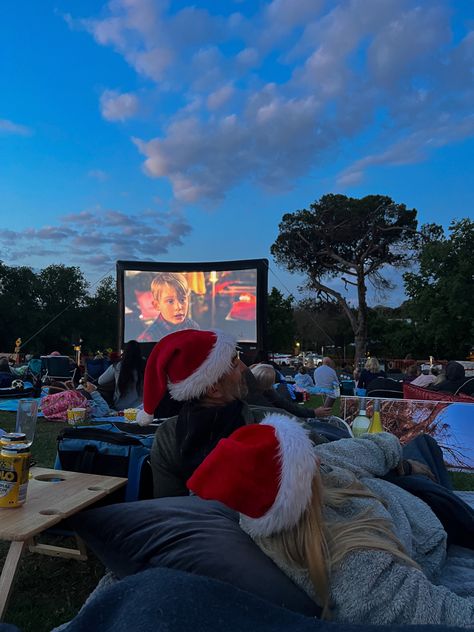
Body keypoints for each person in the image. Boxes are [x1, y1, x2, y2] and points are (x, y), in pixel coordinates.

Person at [188, 415, 474, 627]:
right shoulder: (354, 567)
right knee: (430, 459)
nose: (316, 454)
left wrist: (404, 465)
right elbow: (447, 615)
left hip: (399, 489)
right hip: (429, 520)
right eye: (307, 453)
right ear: (299, 481)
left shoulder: (306, 470)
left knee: (423, 443)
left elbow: (375, 448)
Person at [136, 330, 336, 499]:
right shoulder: (274, 424)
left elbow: (171, 511)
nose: (243, 368)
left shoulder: (168, 436)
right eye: (234, 362)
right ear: (214, 389)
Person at [250, 364, 330, 419]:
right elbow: (289, 407)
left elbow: (288, 406)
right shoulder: (269, 396)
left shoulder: (246, 393)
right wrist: (314, 413)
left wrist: (313, 413)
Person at [137, 272, 200, 343]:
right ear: (157, 305)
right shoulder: (147, 338)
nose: (178, 307)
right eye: (170, 301)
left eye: (182, 300)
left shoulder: (193, 326)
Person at [98, 340, 145, 410]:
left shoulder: (118, 366)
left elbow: (101, 381)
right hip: (140, 406)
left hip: (121, 407)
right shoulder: (144, 365)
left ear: (125, 352)